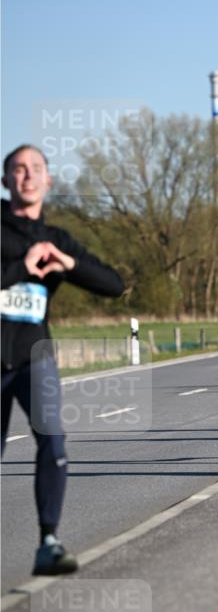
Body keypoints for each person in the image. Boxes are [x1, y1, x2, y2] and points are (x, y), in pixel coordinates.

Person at [1, 145, 125, 575]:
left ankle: (48, 541)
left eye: (36, 169)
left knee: (52, 438)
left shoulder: (56, 239)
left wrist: (68, 262)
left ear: (48, 181)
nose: (27, 176)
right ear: (5, 180)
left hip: (34, 353)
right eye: (18, 169)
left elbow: (114, 284)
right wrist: (22, 266)